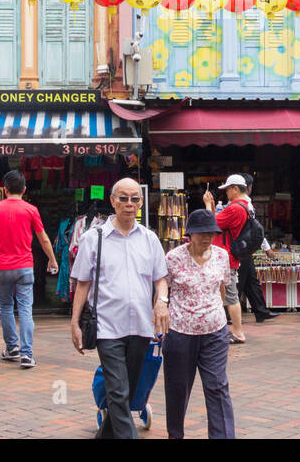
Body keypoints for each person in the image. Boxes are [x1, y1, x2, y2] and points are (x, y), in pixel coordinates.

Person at [70, 177, 169, 439]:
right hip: (107, 327)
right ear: (112, 201)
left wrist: (161, 301)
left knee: (126, 393)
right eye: (123, 198)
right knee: (117, 391)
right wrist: (74, 324)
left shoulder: (149, 239)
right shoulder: (94, 238)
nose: (129, 204)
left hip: (140, 327)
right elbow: (82, 284)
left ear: (141, 202)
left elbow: (161, 279)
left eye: (134, 199)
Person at [162, 208, 235, 439]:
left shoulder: (222, 256)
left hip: (215, 332)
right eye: (201, 232)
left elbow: (222, 290)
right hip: (180, 332)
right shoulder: (173, 258)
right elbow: (163, 287)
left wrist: (212, 313)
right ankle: (176, 434)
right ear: (189, 234)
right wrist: (161, 307)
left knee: (217, 386)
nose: (206, 237)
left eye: (211, 232)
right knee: (178, 388)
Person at [0, 170, 59, 369]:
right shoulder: (31, 210)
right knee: (25, 309)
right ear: (24, 189)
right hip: (24, 265)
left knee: (6, 307)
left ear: (4, 189)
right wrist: (52, 259)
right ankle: (27, 354)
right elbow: (43, 238)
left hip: (2, 266)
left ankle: (12, 348)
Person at [201, 174, 250, 343]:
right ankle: (226, 329)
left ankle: (238, 332)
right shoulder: (244, 206)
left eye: (228, 189)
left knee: (230, 295)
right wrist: (212, 206)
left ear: (235, 189)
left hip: (226, 257)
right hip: (228, 256)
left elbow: (210, 225)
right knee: (226, 294)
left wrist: (208, 205)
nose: (226, 193)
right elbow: (218, 222)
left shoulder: (235, 208)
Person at [235, 172, 277, 323]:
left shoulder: (240, 203)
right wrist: (267, 248)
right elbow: (255, 230)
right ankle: (228, 315)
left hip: (243, 249)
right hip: (242, 249)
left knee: (251, 281)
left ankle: (261, 311)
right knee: (240, 283)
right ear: (249, 187)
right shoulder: (246, 204)